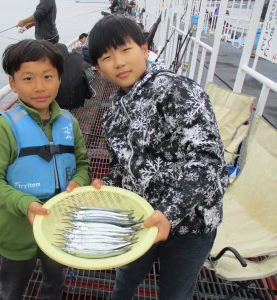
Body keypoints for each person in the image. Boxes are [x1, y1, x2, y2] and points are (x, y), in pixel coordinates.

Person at [88, 15, 229, 299]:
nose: (119, 62)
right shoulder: (113, 112)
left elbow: (207, 158)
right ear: (99, 69)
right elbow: (124, 167)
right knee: (125, 282)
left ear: (144, 49)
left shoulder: (175, 89)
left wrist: (170, 212)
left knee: (175, 293)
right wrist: (105, 185)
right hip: (140, 218)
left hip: (191, 223)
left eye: (126, 50)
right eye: (107, 57)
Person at [0, 39, 91, 300]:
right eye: (28, 79)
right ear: (13, 83)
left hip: (59, 227)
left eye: (48, 76)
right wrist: (24, 204)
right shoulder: (4, 128)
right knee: (11, 288)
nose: (40, 87)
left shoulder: (69, 123)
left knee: (54, 284)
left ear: (59, 79)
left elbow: (82, 165)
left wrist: (78, 183)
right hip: (16, 232)